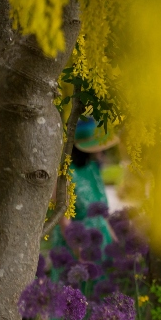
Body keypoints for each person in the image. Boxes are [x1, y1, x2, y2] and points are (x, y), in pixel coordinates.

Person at [49, 117, 119, 276]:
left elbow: (103, 214)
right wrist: (79, 252)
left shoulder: (93, 167)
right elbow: (64, 220)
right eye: (97, 145)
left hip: (101, 245)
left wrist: (115, 242)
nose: (102, 150)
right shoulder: (65, 174)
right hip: (76, 249)